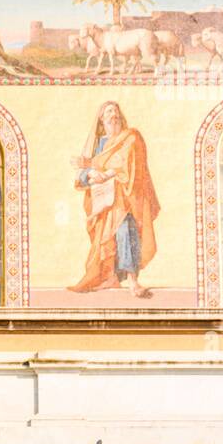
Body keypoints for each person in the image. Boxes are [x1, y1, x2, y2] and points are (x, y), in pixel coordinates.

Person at [69, 100, 159, 298]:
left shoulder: (130, 138)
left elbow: (128, 163)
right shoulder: (98, 145)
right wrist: (92, 174)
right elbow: (82, 175)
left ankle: (133, 281)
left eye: (116, 111)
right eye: (109, 112)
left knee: (127, 231)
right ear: (101, 119)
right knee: (105, 241)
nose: (113, 115)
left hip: (126, 198)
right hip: (103, 203)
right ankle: (110, 276)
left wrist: (106, 173)